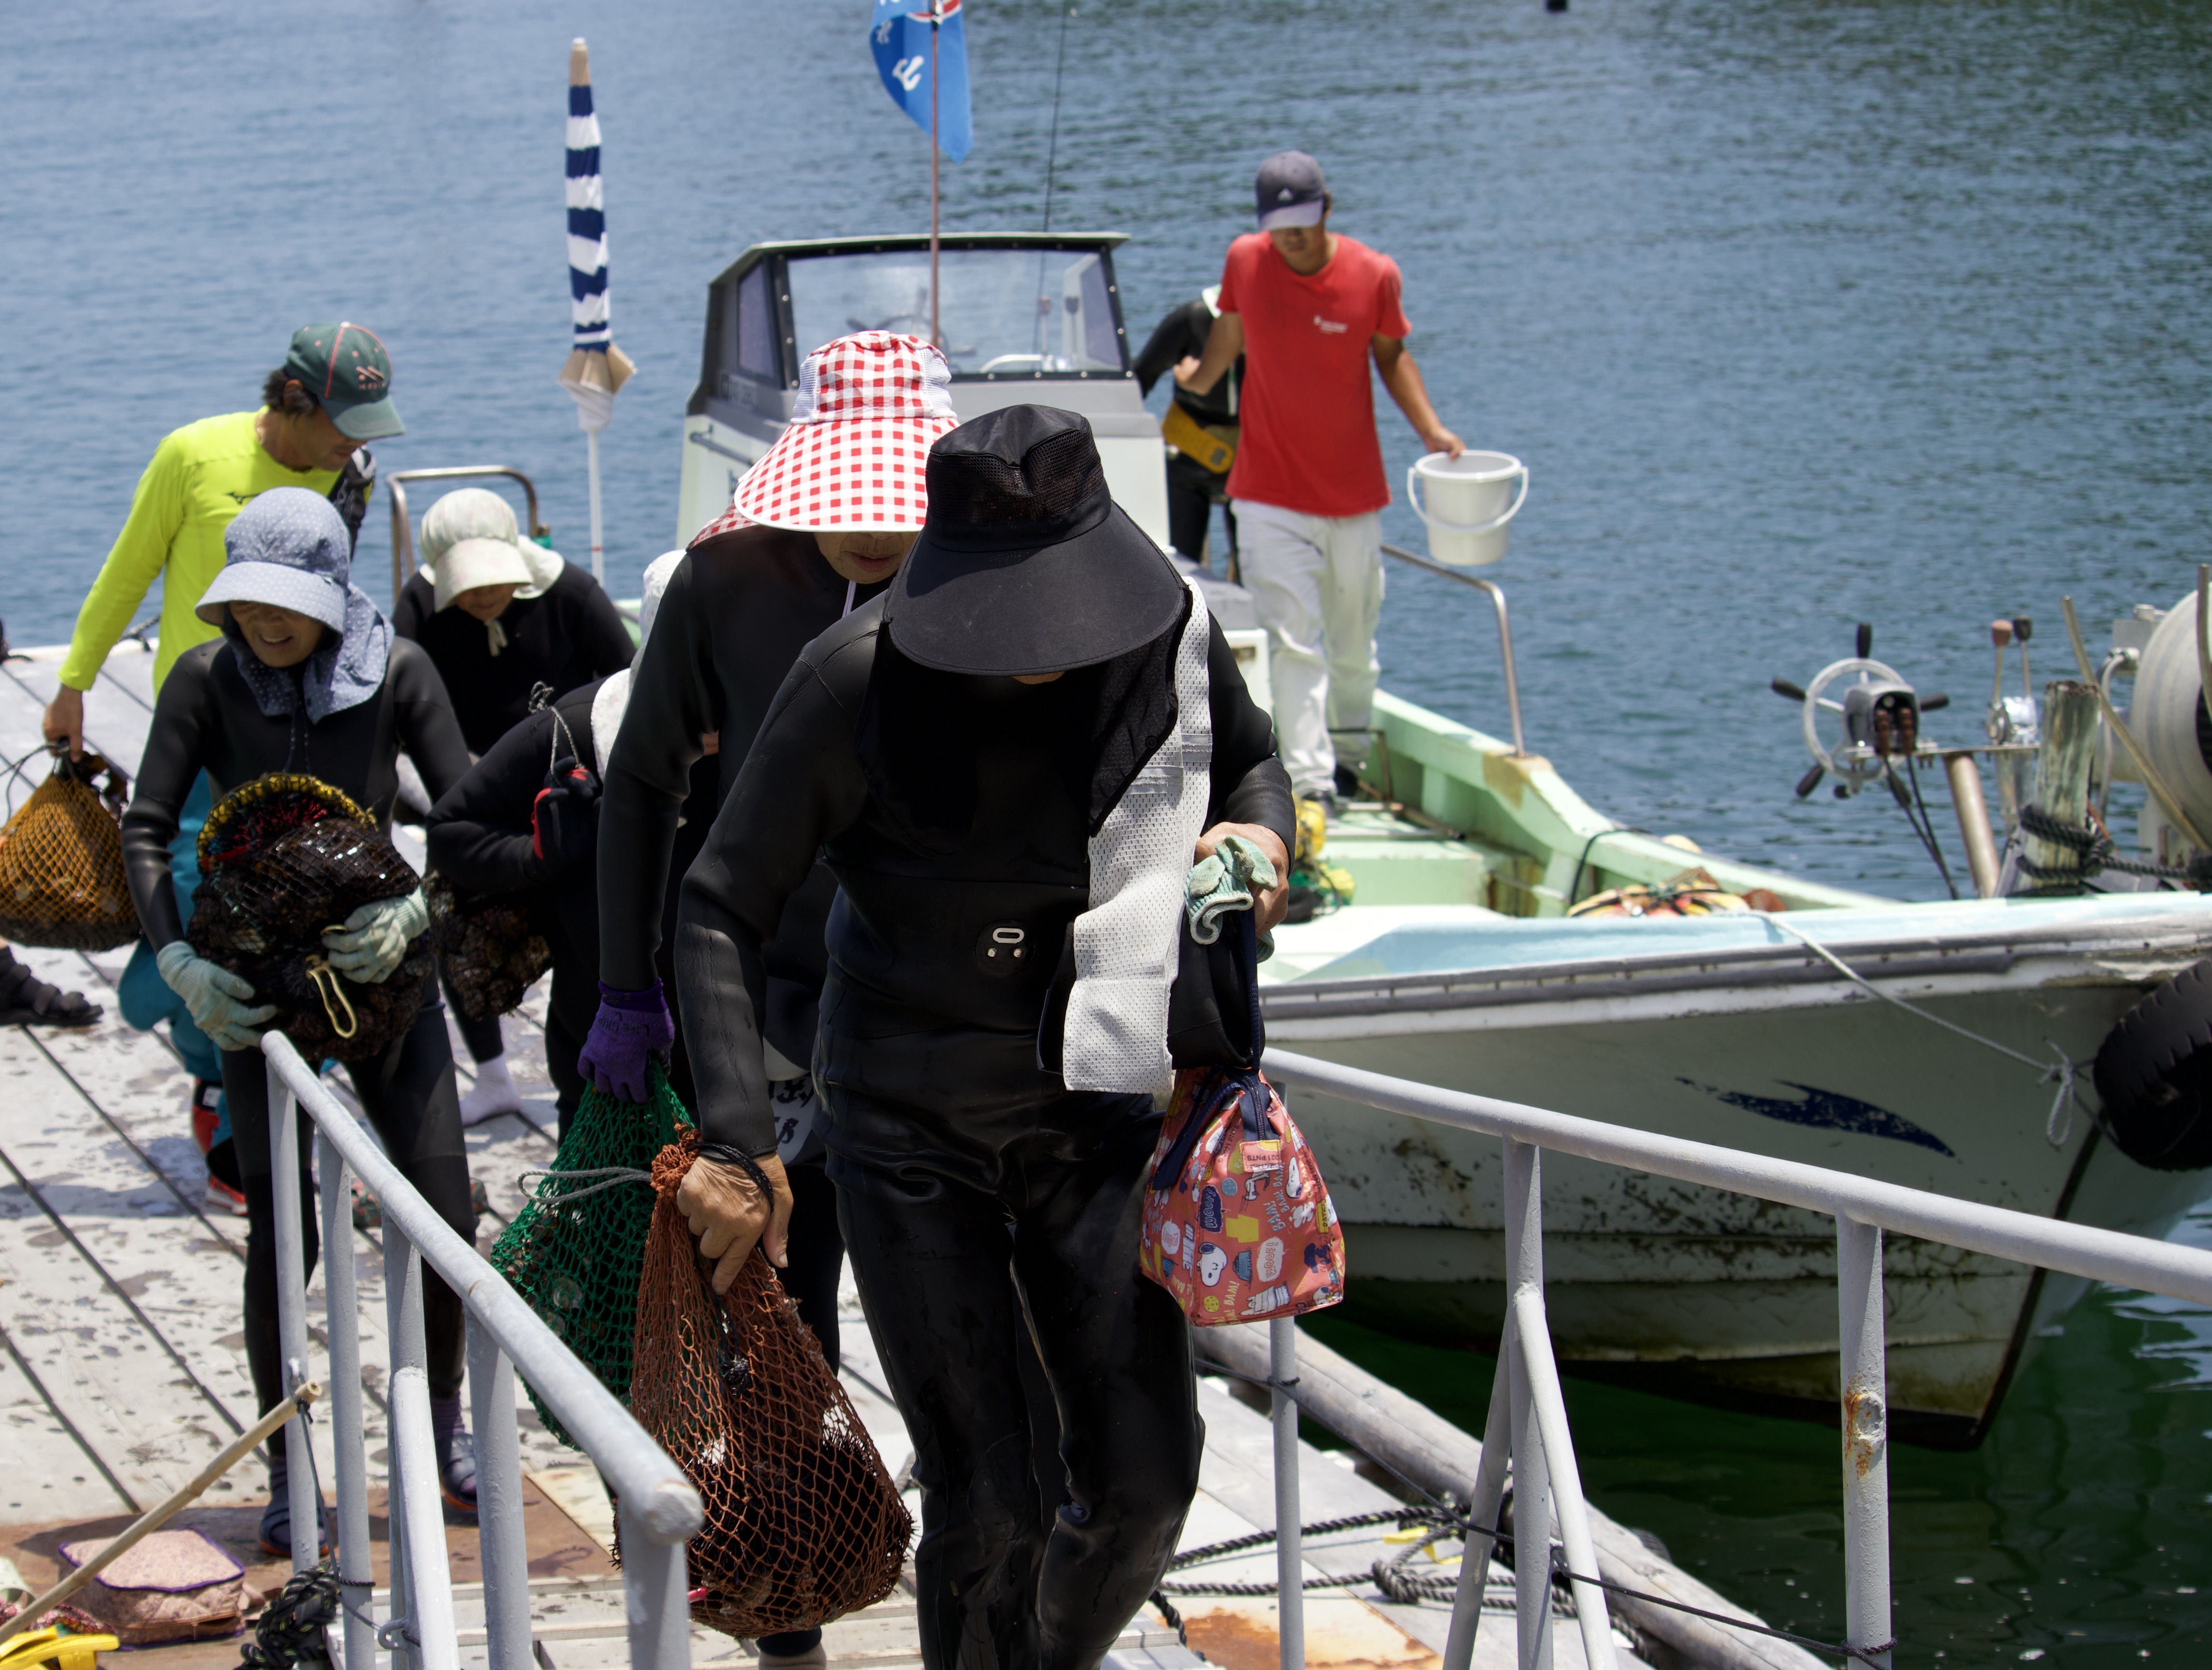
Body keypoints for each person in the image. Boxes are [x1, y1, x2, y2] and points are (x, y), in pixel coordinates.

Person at [669, 405, 1294, 1670]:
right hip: (907, 1115)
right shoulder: (853, 678)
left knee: (1145, 1485)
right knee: (988, 1499)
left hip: (1095, 1093)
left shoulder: (1168, 638)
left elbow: (1253, 762)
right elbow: (719, 903)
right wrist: (738, 1136)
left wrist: (1258, 834)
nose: (1045, 648)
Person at [586, 330, 956, 1670]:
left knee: (948, 1331)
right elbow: (643, 788)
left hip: (932, 1012)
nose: (872, 530)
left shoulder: (996, 584)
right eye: (848, 498)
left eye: (900, 503)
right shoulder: (724, 579)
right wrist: (626, 985)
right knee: (776, 1320)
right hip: (761, 1001)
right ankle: (787, 1628)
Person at [120, 488, 480, 1551]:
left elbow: (469, 815)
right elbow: (145, 826)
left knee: (445, 1210)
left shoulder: (400, 669)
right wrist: (179, 958)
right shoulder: (204, 678)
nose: (265, 622)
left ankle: (445, 1424)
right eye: (249, 602)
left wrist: (421, 904)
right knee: (283, 1234)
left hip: (380, 963)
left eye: (287, 603)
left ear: (333, 593)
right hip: (253, 980)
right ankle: (291, 1459)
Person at [42, 321, 403, 1190]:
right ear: (293, 399)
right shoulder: (192, 454)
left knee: (311, 923)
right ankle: (217, 1086)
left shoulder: (350, 473)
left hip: (310, 734)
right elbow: (127, 571)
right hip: (209, 733)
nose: (356, 441)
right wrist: (73, 683)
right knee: (200, 915)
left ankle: (291, 1099)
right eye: (344, 420)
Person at [1178, 152, 1464, 813]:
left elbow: (1392, 357)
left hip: (1353, 498)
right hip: (1266, 494)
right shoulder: (1245, 260)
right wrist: (1197, 377)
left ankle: (1351, 759)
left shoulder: (1374, 274)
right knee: (1294, 640)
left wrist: (1432, 430)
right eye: (1279, 226)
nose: (1291, 237)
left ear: (1327, 209)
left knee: (1354, 646)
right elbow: (1230, 332)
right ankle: (1312, 781)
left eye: (1303, 222)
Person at [424, 550, 691, 1132]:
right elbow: (450, 832)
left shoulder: (795, 723)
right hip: (598, 1041)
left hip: (755, 1048)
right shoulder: (571, 730)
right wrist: (537, 855)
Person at [393, 488, 635, 1121]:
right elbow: (401, 706)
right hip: (475, 780)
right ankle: (493, 1072)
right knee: (454, 913)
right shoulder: (418, 607)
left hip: (571, 784)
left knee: (579, 933)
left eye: (495, 579)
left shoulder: (572, 593)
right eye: (467, 585)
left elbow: (631, 677)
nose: (483, 596)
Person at [1133, 288, 1243, 573]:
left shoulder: (1277, 320)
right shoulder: (1193, 317)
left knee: (1253, 570)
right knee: (1178, 568)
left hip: (1252, 465)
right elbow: (1140, 378)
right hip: (1187, 458)